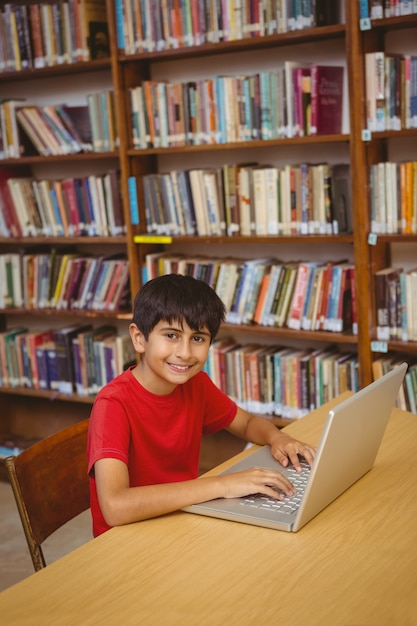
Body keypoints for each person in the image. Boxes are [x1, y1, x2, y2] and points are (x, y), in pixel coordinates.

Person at [87, 274, 316, 536]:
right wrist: (221, 485)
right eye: (171, 335)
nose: (185, 352)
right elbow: (116, 507)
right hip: (128, 538)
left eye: (197, 338)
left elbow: (247, 423)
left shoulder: (195, 385)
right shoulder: (113, 404)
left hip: (180, 517)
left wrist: (278, 438)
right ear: (139, 338)